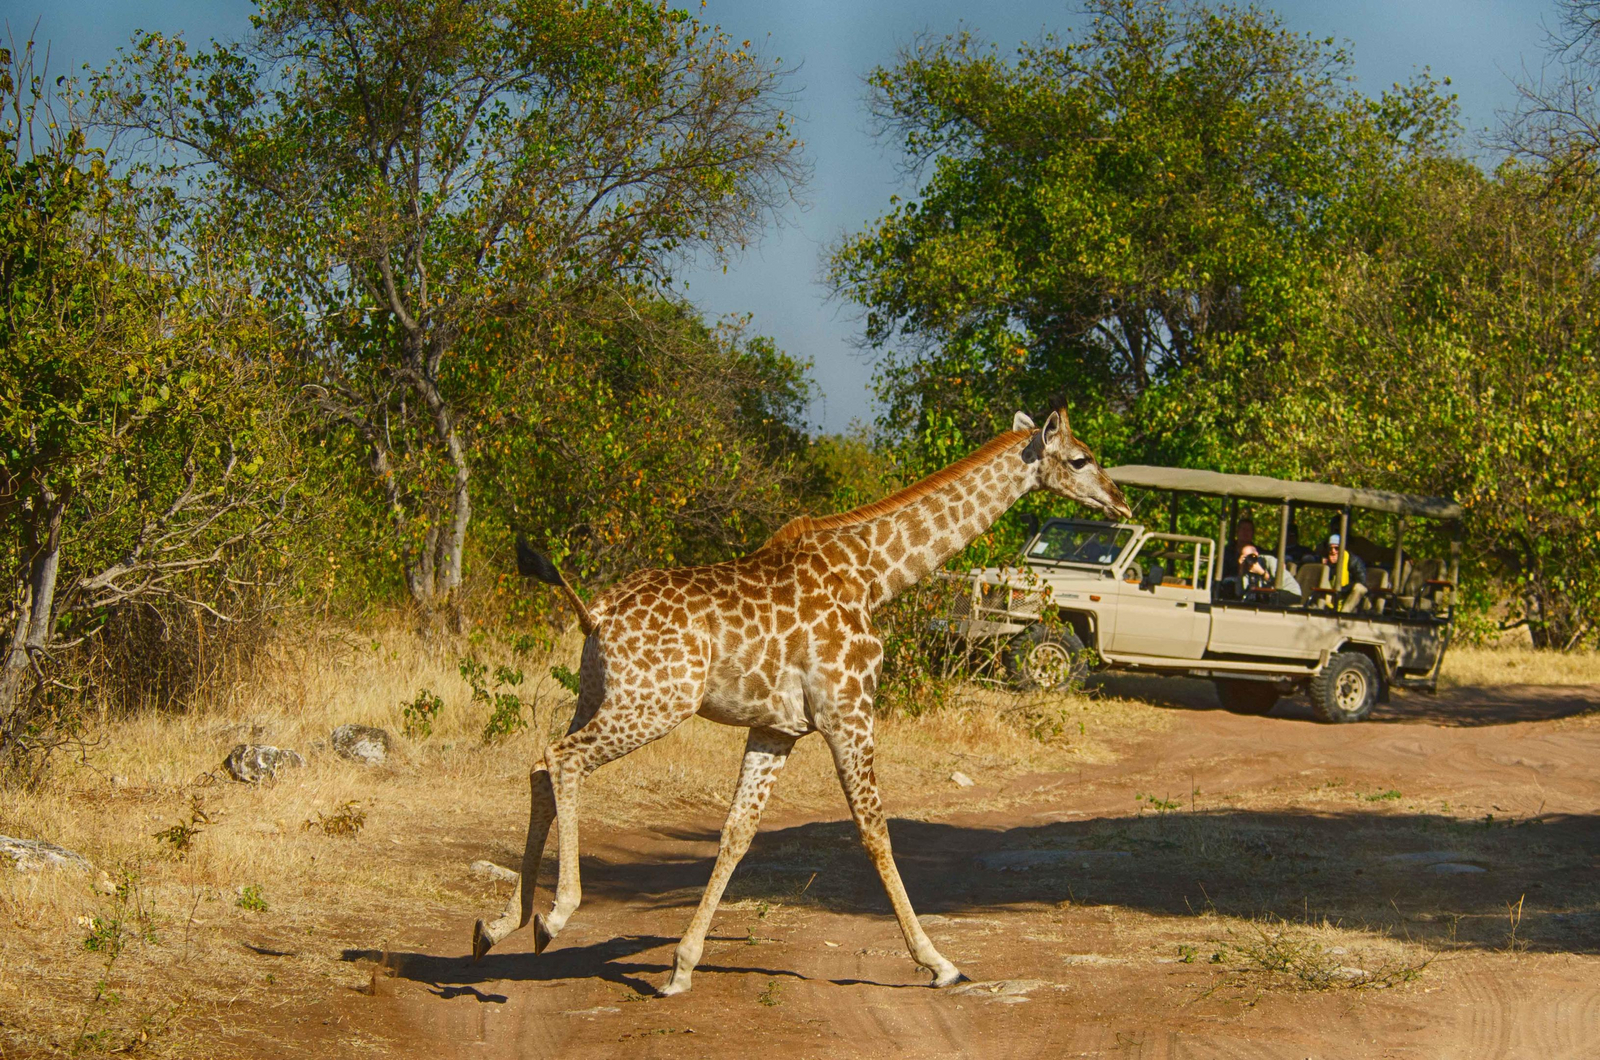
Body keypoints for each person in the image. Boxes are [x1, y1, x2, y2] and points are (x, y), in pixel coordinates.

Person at [1321, 533, 1368, 612]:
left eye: (1336, 548)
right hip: (1334, 595)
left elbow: (1361, 581)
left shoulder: (1353, 561)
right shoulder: (1327, 561)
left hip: (1351, 595)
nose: (1333, 551)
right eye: (1330, 548)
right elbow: (1328, 581)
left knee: (1359, 588)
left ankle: (1344, 614)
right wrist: (1329, 566)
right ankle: (1321, 609)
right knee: (1323, 576)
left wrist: (1343, 589)